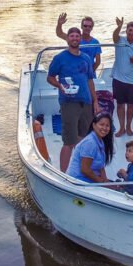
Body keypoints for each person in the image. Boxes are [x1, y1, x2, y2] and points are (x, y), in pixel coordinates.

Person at [47, 27, 100, 171]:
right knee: (68, 142)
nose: (75, 38)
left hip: (86, 102)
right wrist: (59, 85)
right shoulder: (60, 58)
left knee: (84, 137)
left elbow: (90, 80)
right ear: (68, 39)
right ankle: (63, 174)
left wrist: (95, 101)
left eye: (77, 36)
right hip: (69, 102)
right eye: (72, 36)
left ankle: (81, 169)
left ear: (80, 38)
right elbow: (50, 77)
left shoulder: (87, 58)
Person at [111, 17, 133, 137]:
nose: (132, 33)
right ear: (126, 31)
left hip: (132, 81)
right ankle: (121, 128)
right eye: (130, 30)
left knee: (131, 105)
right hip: (118, 79)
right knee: (120, 105)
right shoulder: (119, 40)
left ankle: (128, 127)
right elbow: (114, 36)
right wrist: (118, 26)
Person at [66, 111, 114, 183]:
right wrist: (103, 183)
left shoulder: (100, 141)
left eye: (107, 125)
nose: (104, 128)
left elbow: (101, 167)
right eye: (101, 124)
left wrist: (106, 182)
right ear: (94, 125)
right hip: (78, 181)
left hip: (91, 180)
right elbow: (85, 170)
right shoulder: (90, 143)